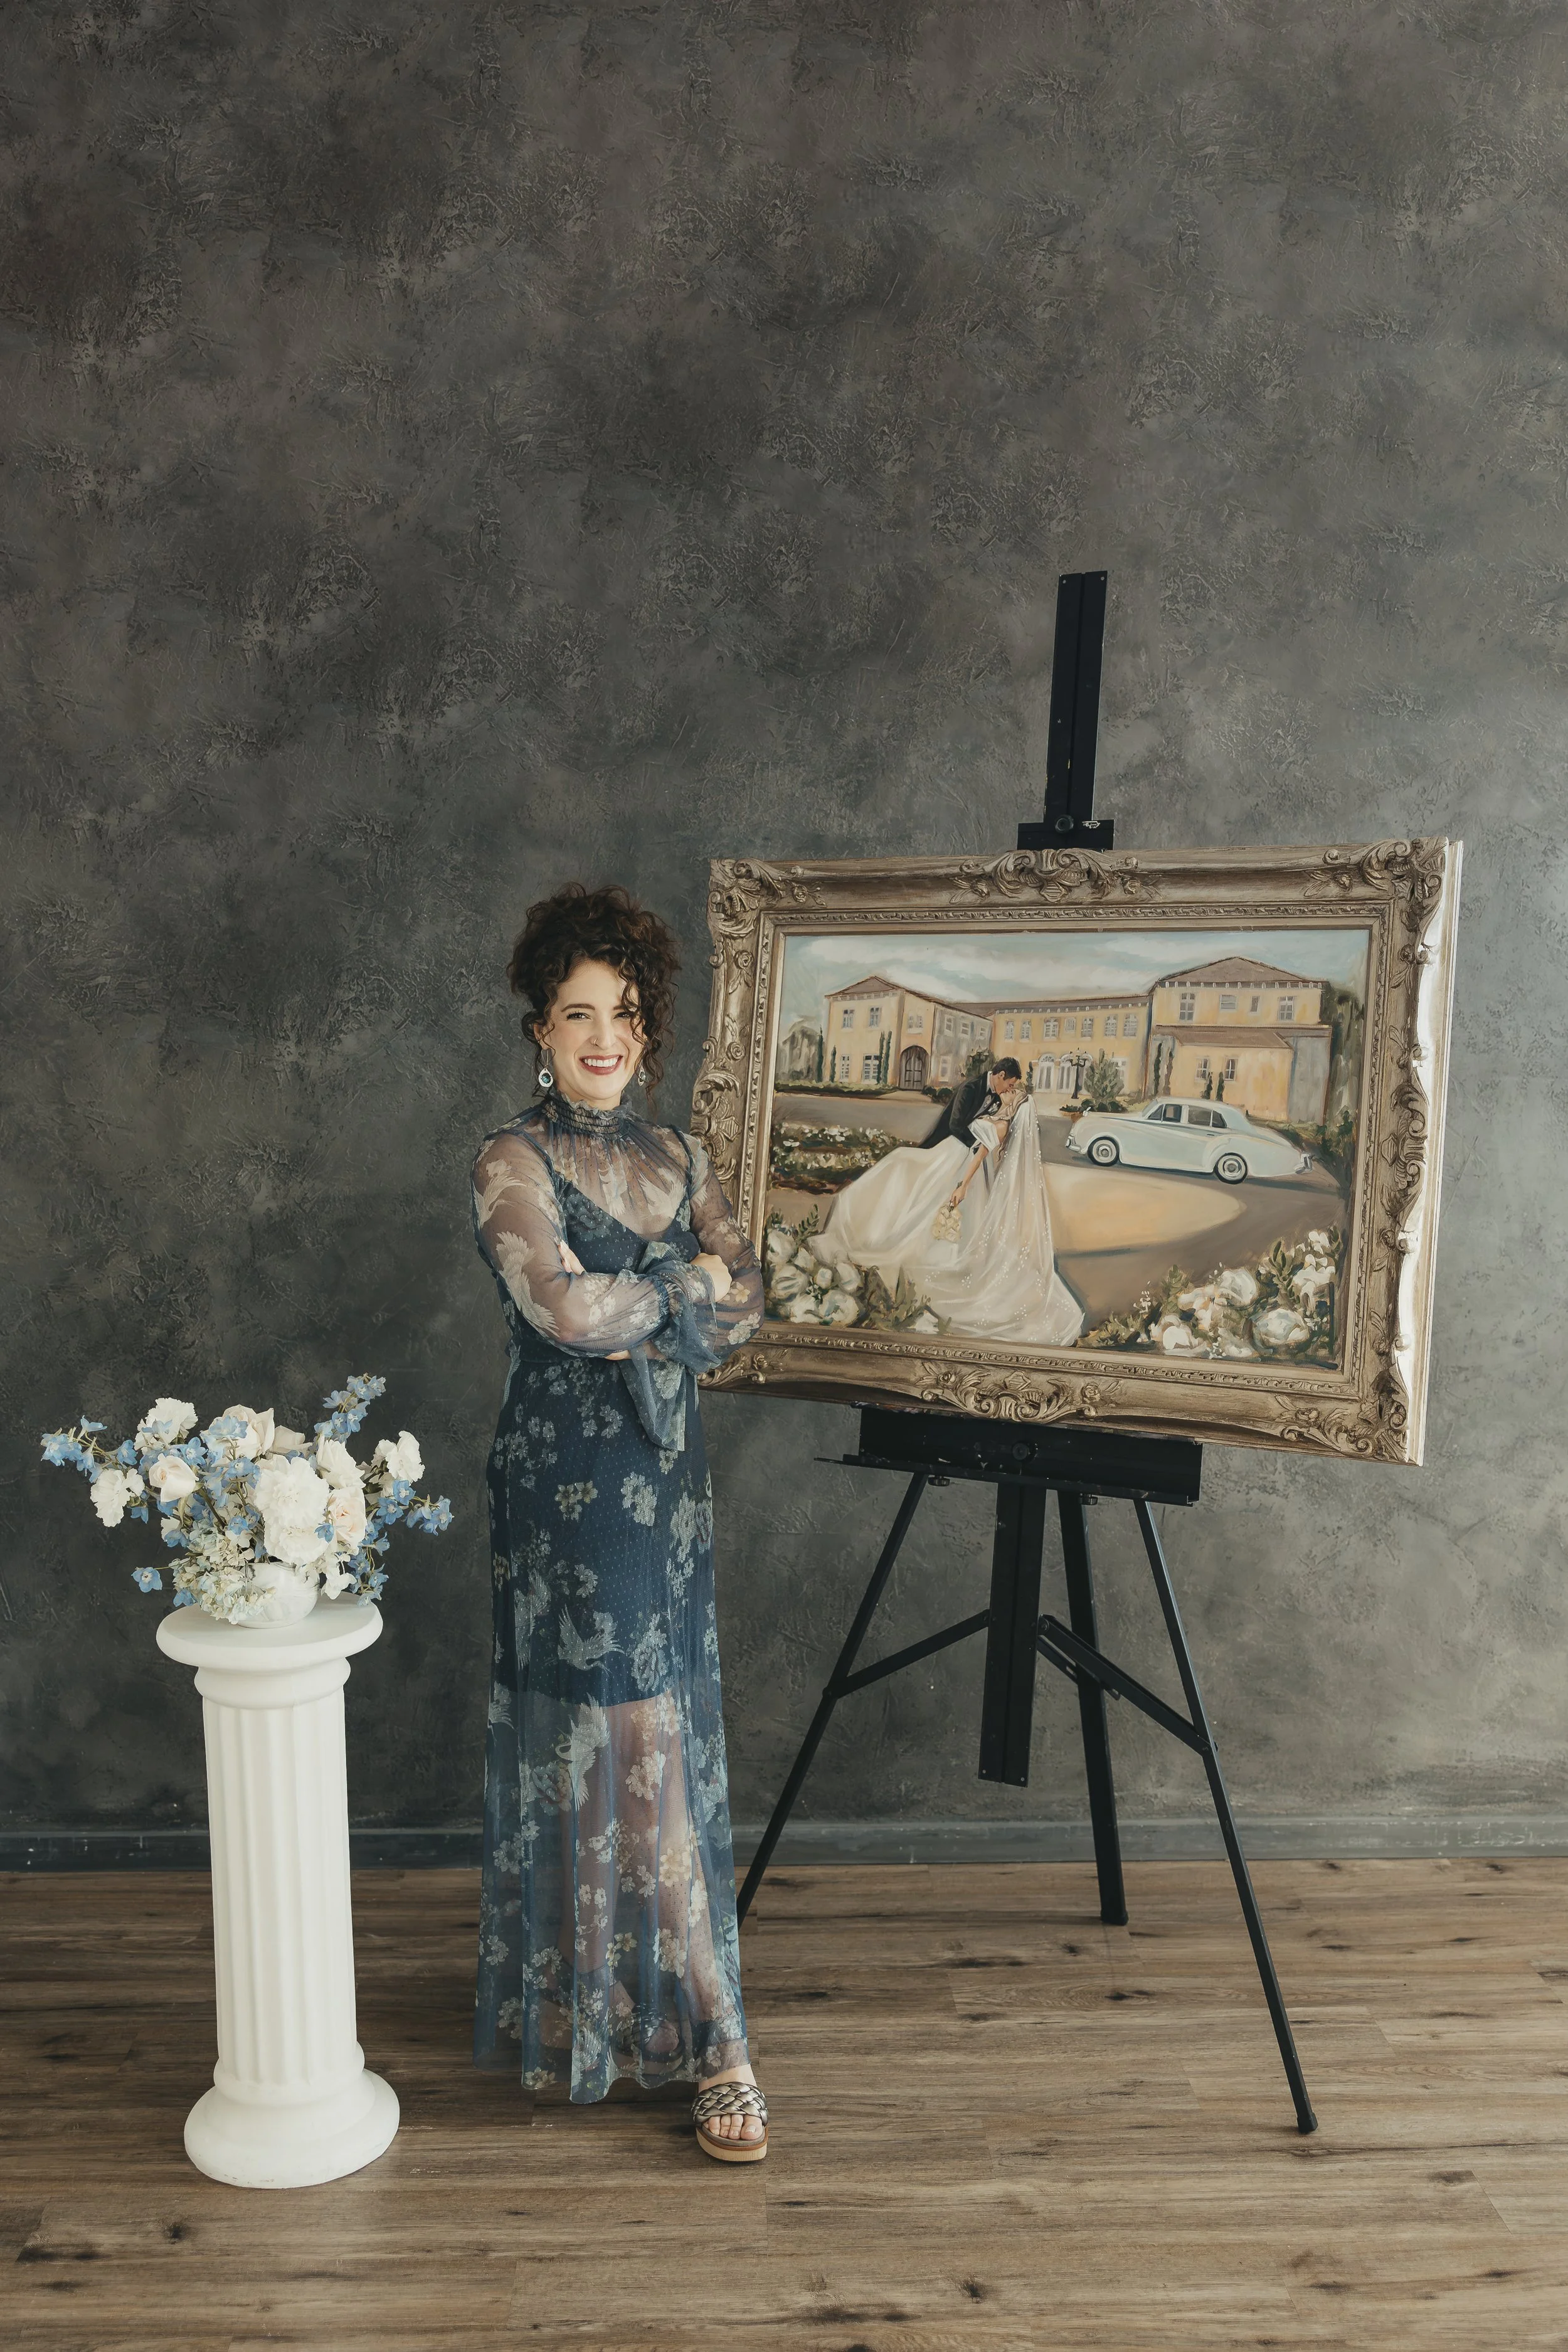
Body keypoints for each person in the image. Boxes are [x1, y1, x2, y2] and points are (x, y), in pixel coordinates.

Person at [470, 881, 770, 2163]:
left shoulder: (679, 1160)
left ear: (648, 1033)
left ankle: (640, 2010)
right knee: (610, 1741)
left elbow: (748, 1303)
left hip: (668, 1489)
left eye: (626, 1014)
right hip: (566, 1493)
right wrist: (681, 1284)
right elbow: (560, 1311)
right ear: (538, 1028)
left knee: (660, 1736)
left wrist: (668, 1286)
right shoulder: (510, 1160)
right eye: (577, 1013)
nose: (604, 1037)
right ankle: (713, 2041)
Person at [811, 1058, 1083, 1346]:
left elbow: (983, 1150)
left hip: (964, 1165)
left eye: (1013, 1091)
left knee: (939, 1212)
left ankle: (929, 1253)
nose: (1010, 1090)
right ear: (1001, 1076)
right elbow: (956, 1125)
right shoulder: (973, 1089)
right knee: (911, 1183)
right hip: (952, 1152)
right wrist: (976, 1146)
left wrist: (965, 1179)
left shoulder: (1001, 1118)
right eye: (1011, 1085)